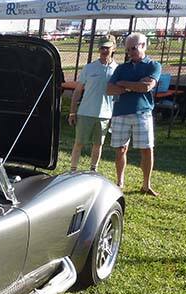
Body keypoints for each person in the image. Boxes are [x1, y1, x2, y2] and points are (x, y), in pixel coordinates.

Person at [106, 32, 162, 196]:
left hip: (142, 112)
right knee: (121, 149)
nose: (130, 52)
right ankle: (120, 181)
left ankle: (146, 184)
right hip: (120, 113)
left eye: (133, 48)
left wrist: (124, 85)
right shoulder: (122, 68)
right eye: (128, 49)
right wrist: (135, 85)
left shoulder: (153, 65)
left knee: (147, 149)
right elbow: (109, 89)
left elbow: (147, 87)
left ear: (143, 46)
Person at [68, 36, 117, 172]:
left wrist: (115, 116)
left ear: (114, 48)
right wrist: (73, 112)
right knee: (79, 143)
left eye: (107, 47)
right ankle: (73, 170)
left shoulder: (117, 70)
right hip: (85, 113)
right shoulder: (89, 68)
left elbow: (118, 94)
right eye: (102, 47)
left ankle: (93, 170)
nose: (104, 50)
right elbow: (78, 91)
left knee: (98, 144)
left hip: (105, 115)